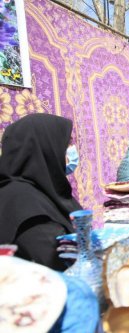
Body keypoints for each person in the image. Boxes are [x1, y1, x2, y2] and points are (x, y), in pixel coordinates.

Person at [0, 113, 82, 271]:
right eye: (68, 143)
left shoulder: (39, 191)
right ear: (45, 146)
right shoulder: (23, 204)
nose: (72, 149)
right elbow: (58, 266)